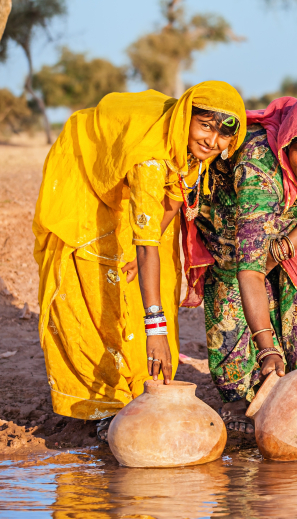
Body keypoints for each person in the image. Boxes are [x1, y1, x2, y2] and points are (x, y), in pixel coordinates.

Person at [32, 81, 246, 439]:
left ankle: (136, 388)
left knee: (147, 267)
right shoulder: (150, 160)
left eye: (224, 135)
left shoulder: (189, 147)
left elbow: (175, 198)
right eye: (205, 126)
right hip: (86, 171)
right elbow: (148, 241)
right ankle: (98, 406)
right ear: (186, 119)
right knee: (94, 277)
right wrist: (155, 329)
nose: (213, 142)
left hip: (134, 170)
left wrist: (143, 241)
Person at [194, 96, 297, 433]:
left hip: (294, 227)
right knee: (232, 306)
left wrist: (287, 245)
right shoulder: (258, 165)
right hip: (233, 228)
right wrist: (266, 347)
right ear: (287, 145)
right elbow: (250, 270)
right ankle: (238, 402)